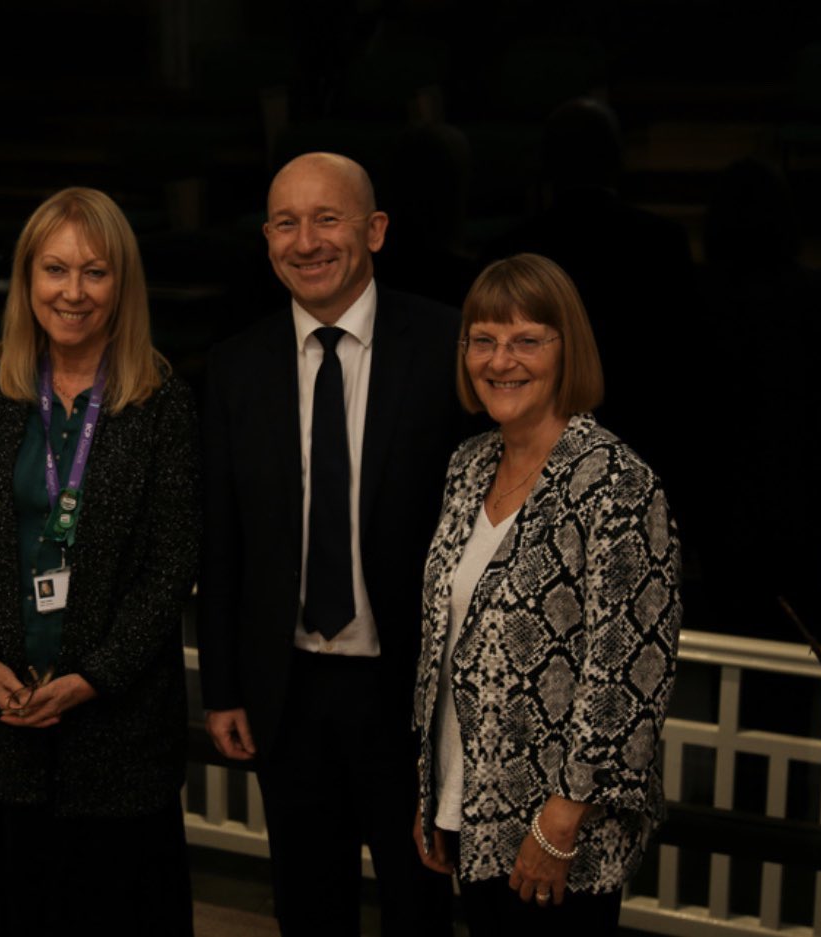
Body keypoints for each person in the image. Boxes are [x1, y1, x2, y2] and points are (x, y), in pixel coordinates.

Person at [198, 152, 465, 936]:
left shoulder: (448, 346)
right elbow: (223, 540)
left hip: (407, 693)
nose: (305, 240)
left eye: (327, 218)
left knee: (419, 908)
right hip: (288, 692)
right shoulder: (236, 366)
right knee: (309, 908)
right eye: (286, 221)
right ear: (267, 238)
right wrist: (222, 686)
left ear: (374, 230)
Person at [0, 187, 200, 937]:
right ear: (27, 279)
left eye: (95, 272)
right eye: (55, 269)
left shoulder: (162, 399)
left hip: (121, 739)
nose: (73, 291)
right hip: (4, 723)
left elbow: (173, 562)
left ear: (123, 285)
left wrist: (93, 677)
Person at [413, 253, 681, 936]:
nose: (501, 360)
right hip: (472, 804)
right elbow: (448, 643)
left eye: (527, 339)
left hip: (559, 833)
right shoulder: (469, 466)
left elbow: (628, 672)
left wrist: (560, 821)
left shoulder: (615, 481)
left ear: (568, 351)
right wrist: (434, 787)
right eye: (483, 339)